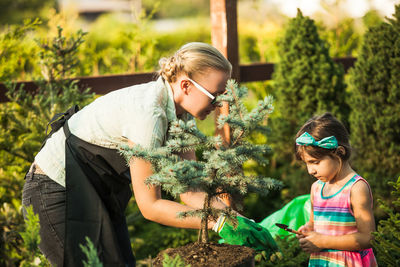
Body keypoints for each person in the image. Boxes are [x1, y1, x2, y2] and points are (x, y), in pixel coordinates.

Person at [22, 42, 275, 267]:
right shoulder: (149, 115)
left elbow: (190, 190)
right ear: (186, 85)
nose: (220, 105)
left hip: (95, 190)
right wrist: (215, 222)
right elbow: (150, 206)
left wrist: (237, 219)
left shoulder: (181, 117)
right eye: (215, 96)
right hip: (57, 190)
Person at [294, 113, 377, 266]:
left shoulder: (356, 188)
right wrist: (307, 230)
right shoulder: (316, 188)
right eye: (307, 163)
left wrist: (322, 241)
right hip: (322, 261)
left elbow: (368, 238)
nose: (310, 170)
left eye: (315, 162)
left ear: (339, 152)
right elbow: (314, 224)